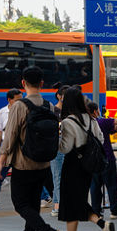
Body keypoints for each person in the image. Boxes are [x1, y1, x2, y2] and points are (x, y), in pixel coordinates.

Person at [0, 66, 63, 231]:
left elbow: (10, 137)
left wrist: (1, 163)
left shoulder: (19, 106)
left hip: (23, 164)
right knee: (32, 206)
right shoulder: (49, 106)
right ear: (42, 83)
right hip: (43, 165)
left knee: (20, 204)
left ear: (23, 83)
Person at [54, 88, 116, 231]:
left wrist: (56, 140)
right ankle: (95, 228)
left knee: (70, 201)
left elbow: (65, 148)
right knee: (77, 200)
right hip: (88, 166)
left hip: (73, 164)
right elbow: (101, 139)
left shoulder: (68, 122)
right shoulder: (91, 119)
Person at [86, 101, 117, 220]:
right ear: (96, 111)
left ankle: (96, 211)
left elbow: (111, 129)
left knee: (95, 186)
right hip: (106, 158)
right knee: (111, 185)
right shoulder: (101, 121)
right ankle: (115, 211)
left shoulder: (83, 123)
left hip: (91, 160)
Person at [48, 84, 69, 217]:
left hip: (68, 145)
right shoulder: (53, 111)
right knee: (57, 175)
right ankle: (60, 206)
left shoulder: (70, 112)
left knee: (63, 176)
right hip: (56, 146)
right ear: (59, 96)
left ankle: (57, 205)